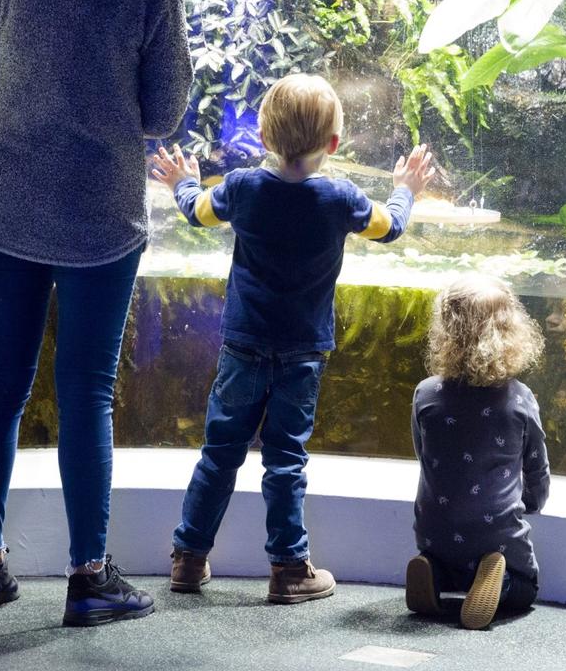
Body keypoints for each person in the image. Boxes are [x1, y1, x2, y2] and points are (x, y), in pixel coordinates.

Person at [0, 0, 191, 627]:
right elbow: (163, 112)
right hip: (99, 213)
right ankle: (90, 579)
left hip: (6, 199)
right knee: (86, 390)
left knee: (1, 383)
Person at [149, 74, 436, 604]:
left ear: (263, 137)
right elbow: (390, 226)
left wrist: (181, 181)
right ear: (333, 144)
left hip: (242, 347)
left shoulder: (242, 188)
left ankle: (188, 559)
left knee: (219, 453)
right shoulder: (341, 199)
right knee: (285, 459)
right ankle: (288, 569)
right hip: (302, 352)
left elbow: (195, 212)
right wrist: (407, 189)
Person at [406, 273, 550, 630]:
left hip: (434, 530)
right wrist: (531, 502)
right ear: (511, 331)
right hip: (495, 534)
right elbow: (536, 468)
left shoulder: (426, 394)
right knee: (526, 588)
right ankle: (498, 583)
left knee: (446, 563)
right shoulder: (518, 399)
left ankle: (435, 575)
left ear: (445, 332)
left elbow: (423, 456)